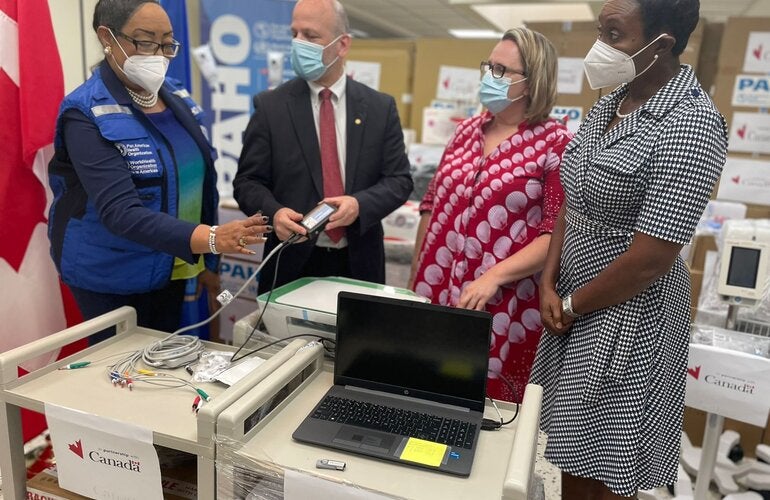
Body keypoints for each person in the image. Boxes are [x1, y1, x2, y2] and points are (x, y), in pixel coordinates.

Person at [529, 0, 728, 497]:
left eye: (615, 34)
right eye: (601, 31)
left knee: (606, 468)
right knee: (568, 452)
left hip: (629, 317)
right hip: (572, 300)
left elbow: (651, 259)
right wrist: (549, 282)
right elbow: (574, 197)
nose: (602, 47)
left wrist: (573, 304)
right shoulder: (609, 103)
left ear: (662, 43)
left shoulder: (693, 124)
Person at [48, 0, 270, 340]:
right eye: (145, 41)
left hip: (173, 265)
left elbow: (203, 183)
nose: (159, 54)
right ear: (107, 37)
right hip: (113, 275)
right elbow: (120, 212)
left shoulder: (178, 96)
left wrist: (209, 261)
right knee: (123, 378)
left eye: (167, 42)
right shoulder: (85, 112)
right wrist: (211, 239)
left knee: (163, 363)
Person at [409, 28, 571, 403]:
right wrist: (418, 274)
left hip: (501, 306)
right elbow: (431, 206)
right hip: (436, 294)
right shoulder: (466, 131)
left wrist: (492, 277)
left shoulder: (554, 143)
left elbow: (553, 234)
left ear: (531, 83)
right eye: (488, 66)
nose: (489, 77)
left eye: (502, 71)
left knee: (486, 411)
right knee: (424, 393)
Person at [233, 0, 413, 294]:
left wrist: (359, 205)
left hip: (358, 262)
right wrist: (274, 213)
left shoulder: (380, 108)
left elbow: (399, 180)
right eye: (294, 34)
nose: (298, 44)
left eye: (311, 36)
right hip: (291, 262)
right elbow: (247, 182)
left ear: (342, 45)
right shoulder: (271, 106)